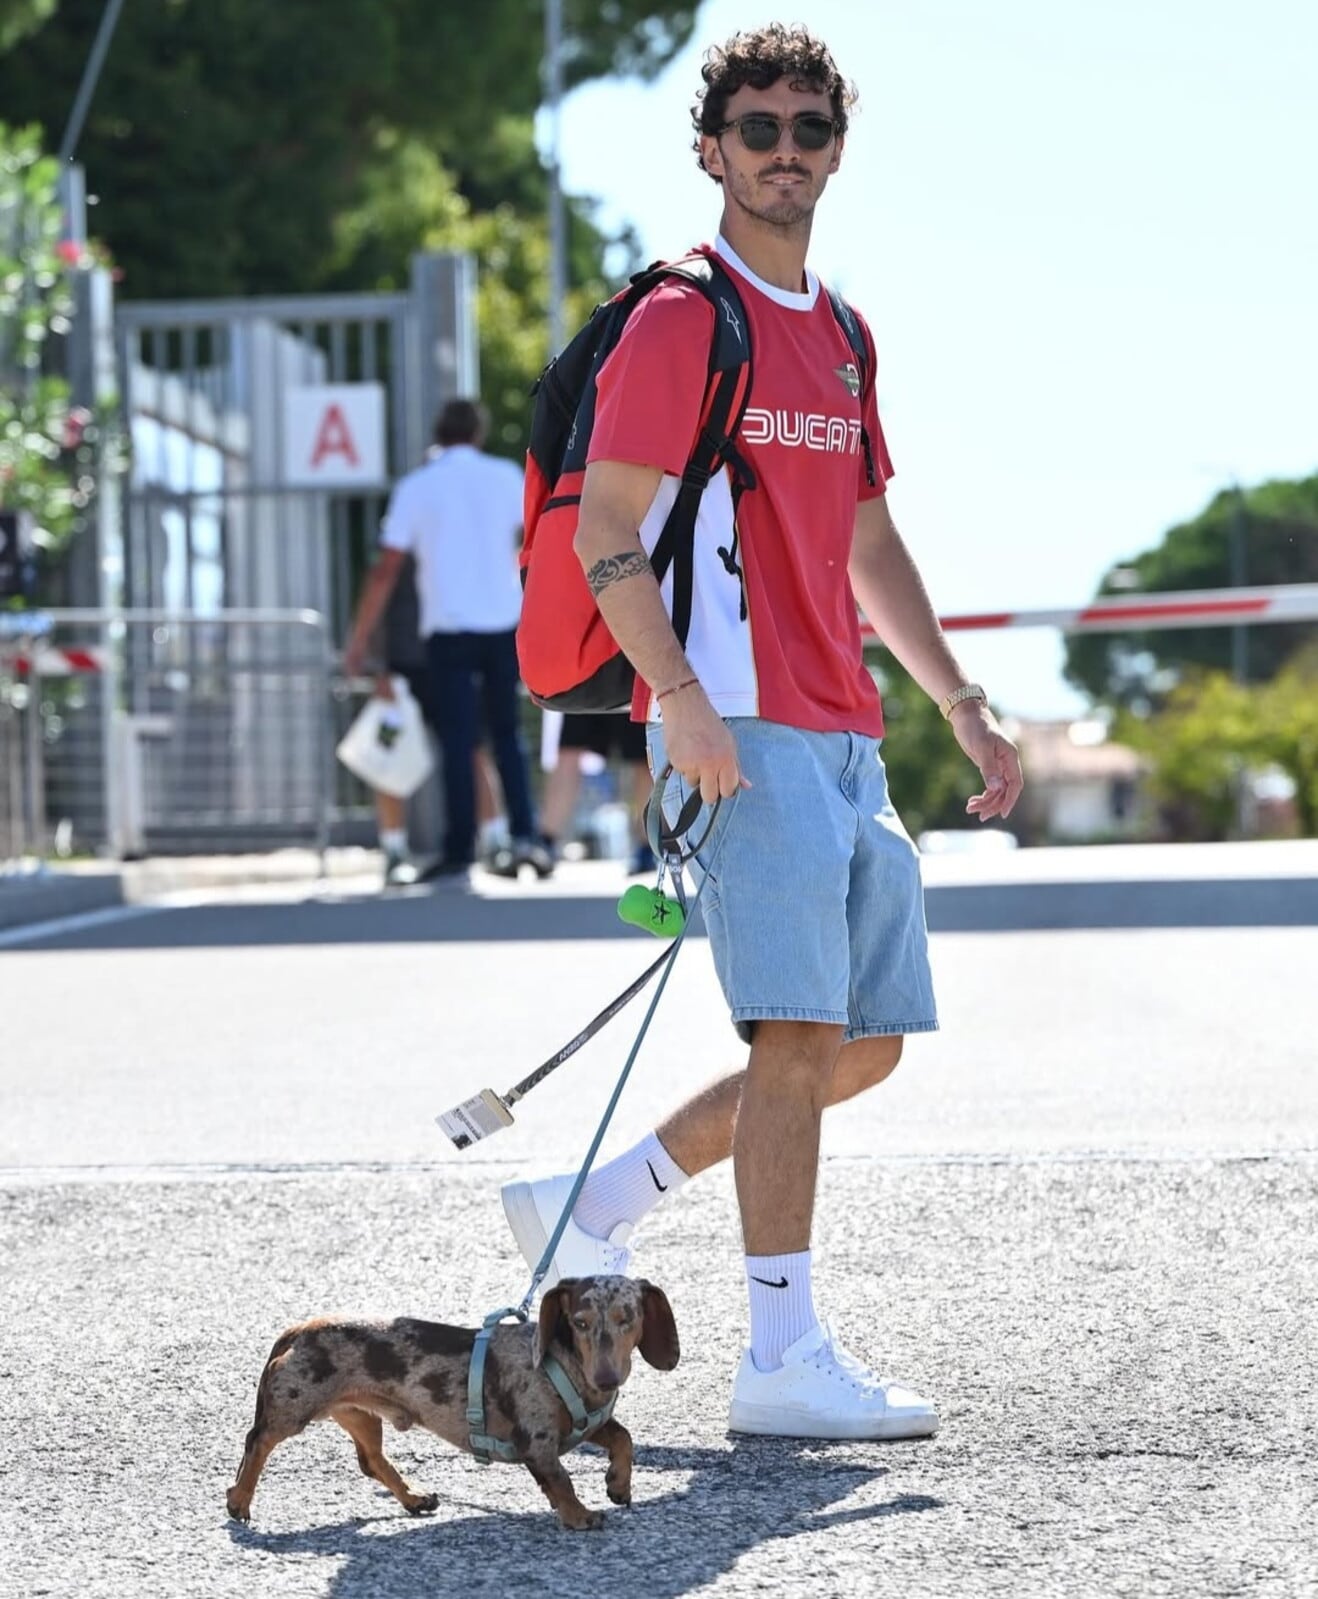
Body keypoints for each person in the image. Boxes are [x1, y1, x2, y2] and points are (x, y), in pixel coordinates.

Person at [500, 23, 1023, 1442]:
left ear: (834, 149)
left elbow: (866, 537)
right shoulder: (685, 316)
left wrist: (956, 705)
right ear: (710, 149)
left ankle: (591, 1201)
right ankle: (778, 1353)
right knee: (796, 1030)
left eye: (806, 127)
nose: (781, 149)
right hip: (732, 717)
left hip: (842, 726)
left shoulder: (841, 332)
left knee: (860, 1042)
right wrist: (678, 704)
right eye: (756, 128)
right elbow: (610, 530)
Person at [344, 399, 550, 881]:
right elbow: (532, 543)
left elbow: (387, 568)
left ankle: (460, 848)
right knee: (507, 735)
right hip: (504, 623)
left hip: (448, 627)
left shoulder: (418, 487)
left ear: (439, 432)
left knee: (459, 740)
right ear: (478, 432)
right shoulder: (505, 476)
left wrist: (360, 638)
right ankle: (525, 837)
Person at [528, 712, 658, 878]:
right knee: (569, 747)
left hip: (633, 688)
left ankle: (647, 846)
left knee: (642, 755)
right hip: (584, 686)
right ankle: (546, 841)